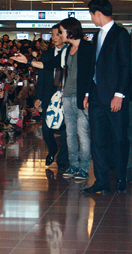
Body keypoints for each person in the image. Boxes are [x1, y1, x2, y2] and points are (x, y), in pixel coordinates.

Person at [81, 0, 132, 194]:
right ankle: (101, 180)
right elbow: (93, 66)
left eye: (91, 14)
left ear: (97, 13)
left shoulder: (120, 34)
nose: (92, 18)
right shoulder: (97, 34)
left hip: (114, 97)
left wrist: (119, 94)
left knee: (119, 138)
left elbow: (126, 66)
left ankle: (120, 178)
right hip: (96, 97)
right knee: (98, 140)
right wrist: (87, 93)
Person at [58, 18, 93, 180]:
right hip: (68, 95)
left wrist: (87, 94)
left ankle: (85, 167)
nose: (60, 34)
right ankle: (74, 165)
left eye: (61, 31)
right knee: (70, 133)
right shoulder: (67, 49)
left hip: (81, 97)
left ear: (70, 30)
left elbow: (91, 74)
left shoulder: (87, 48)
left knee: (82, 133)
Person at [33, 24, 69, 171]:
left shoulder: (71, 52)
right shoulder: (47, 54)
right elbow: (41, 77)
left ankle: (62, 159)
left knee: (66, 129)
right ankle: (52, 150)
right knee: (47, 129)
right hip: (49, 93)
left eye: (56, 34)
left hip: (66, 93)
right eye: (52, 34)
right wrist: (38, 97)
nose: (53, 38)